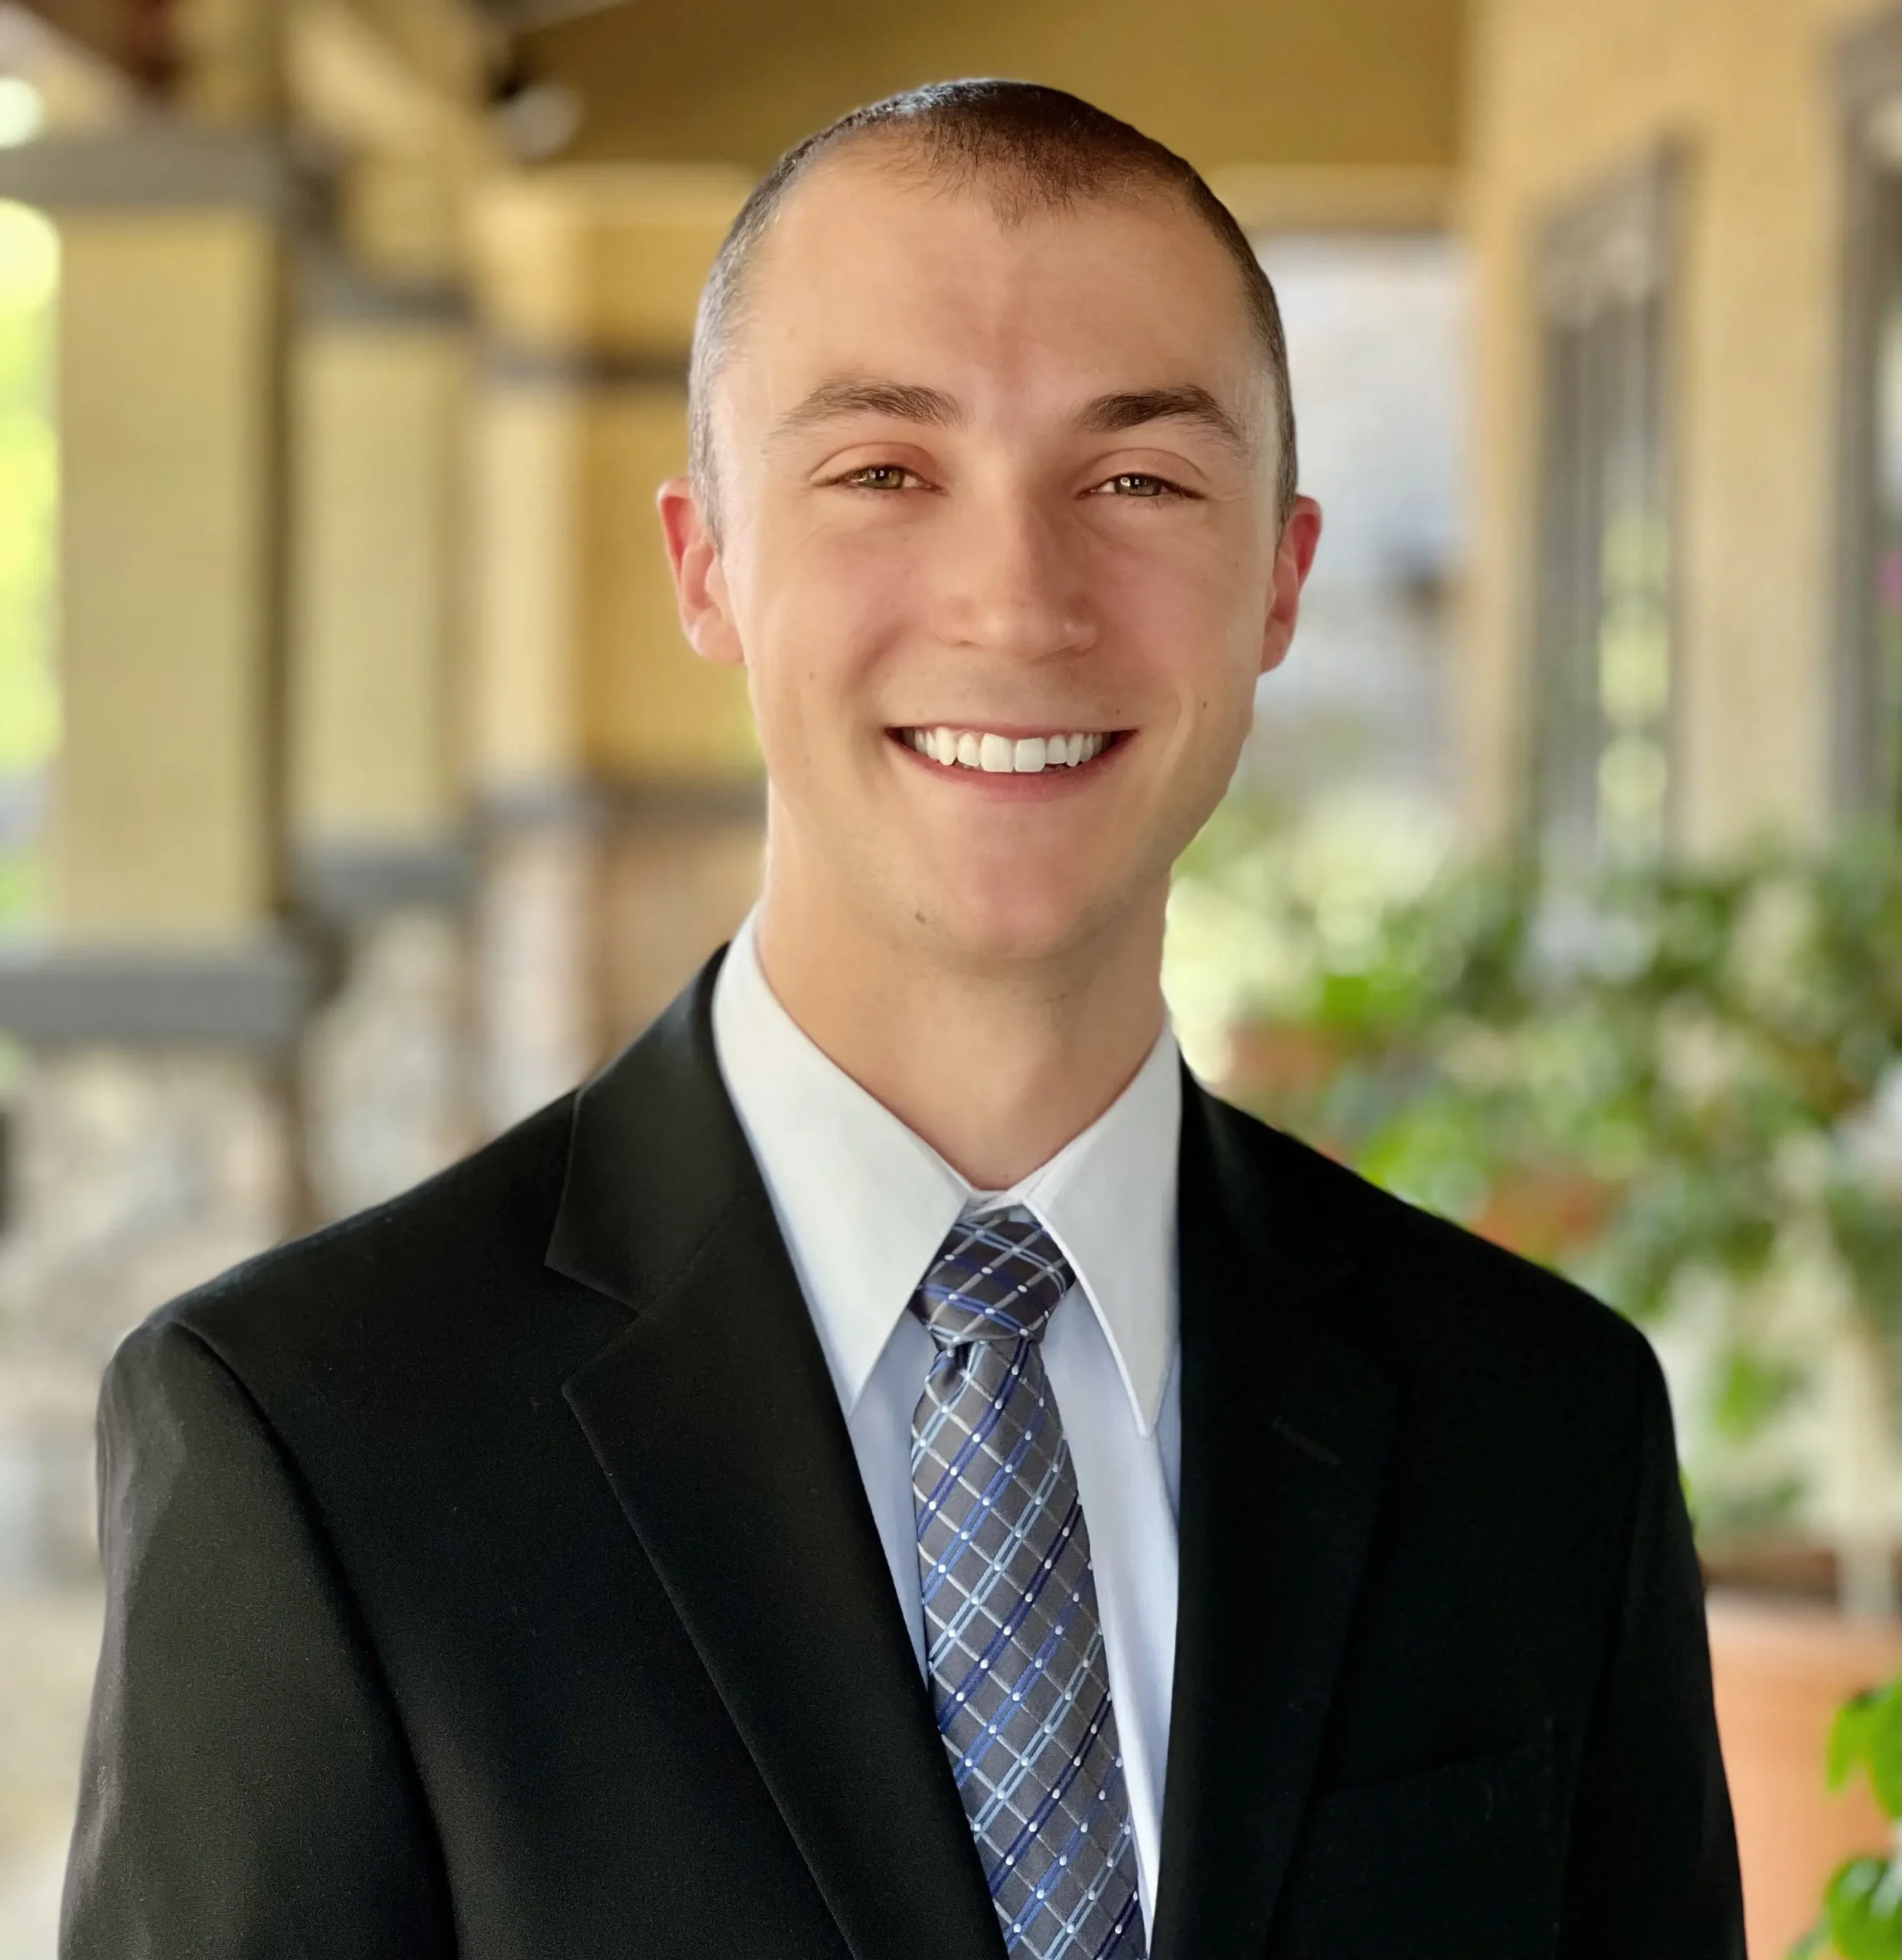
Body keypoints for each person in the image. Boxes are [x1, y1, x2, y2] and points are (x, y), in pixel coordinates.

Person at [62, 80, 1744, 1960]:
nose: (1019, 599)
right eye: (882, 470)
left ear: (1279, 573)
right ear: (708, 561)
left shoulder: (1544, 1427)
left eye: (1139, 480)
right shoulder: (310, 1438)